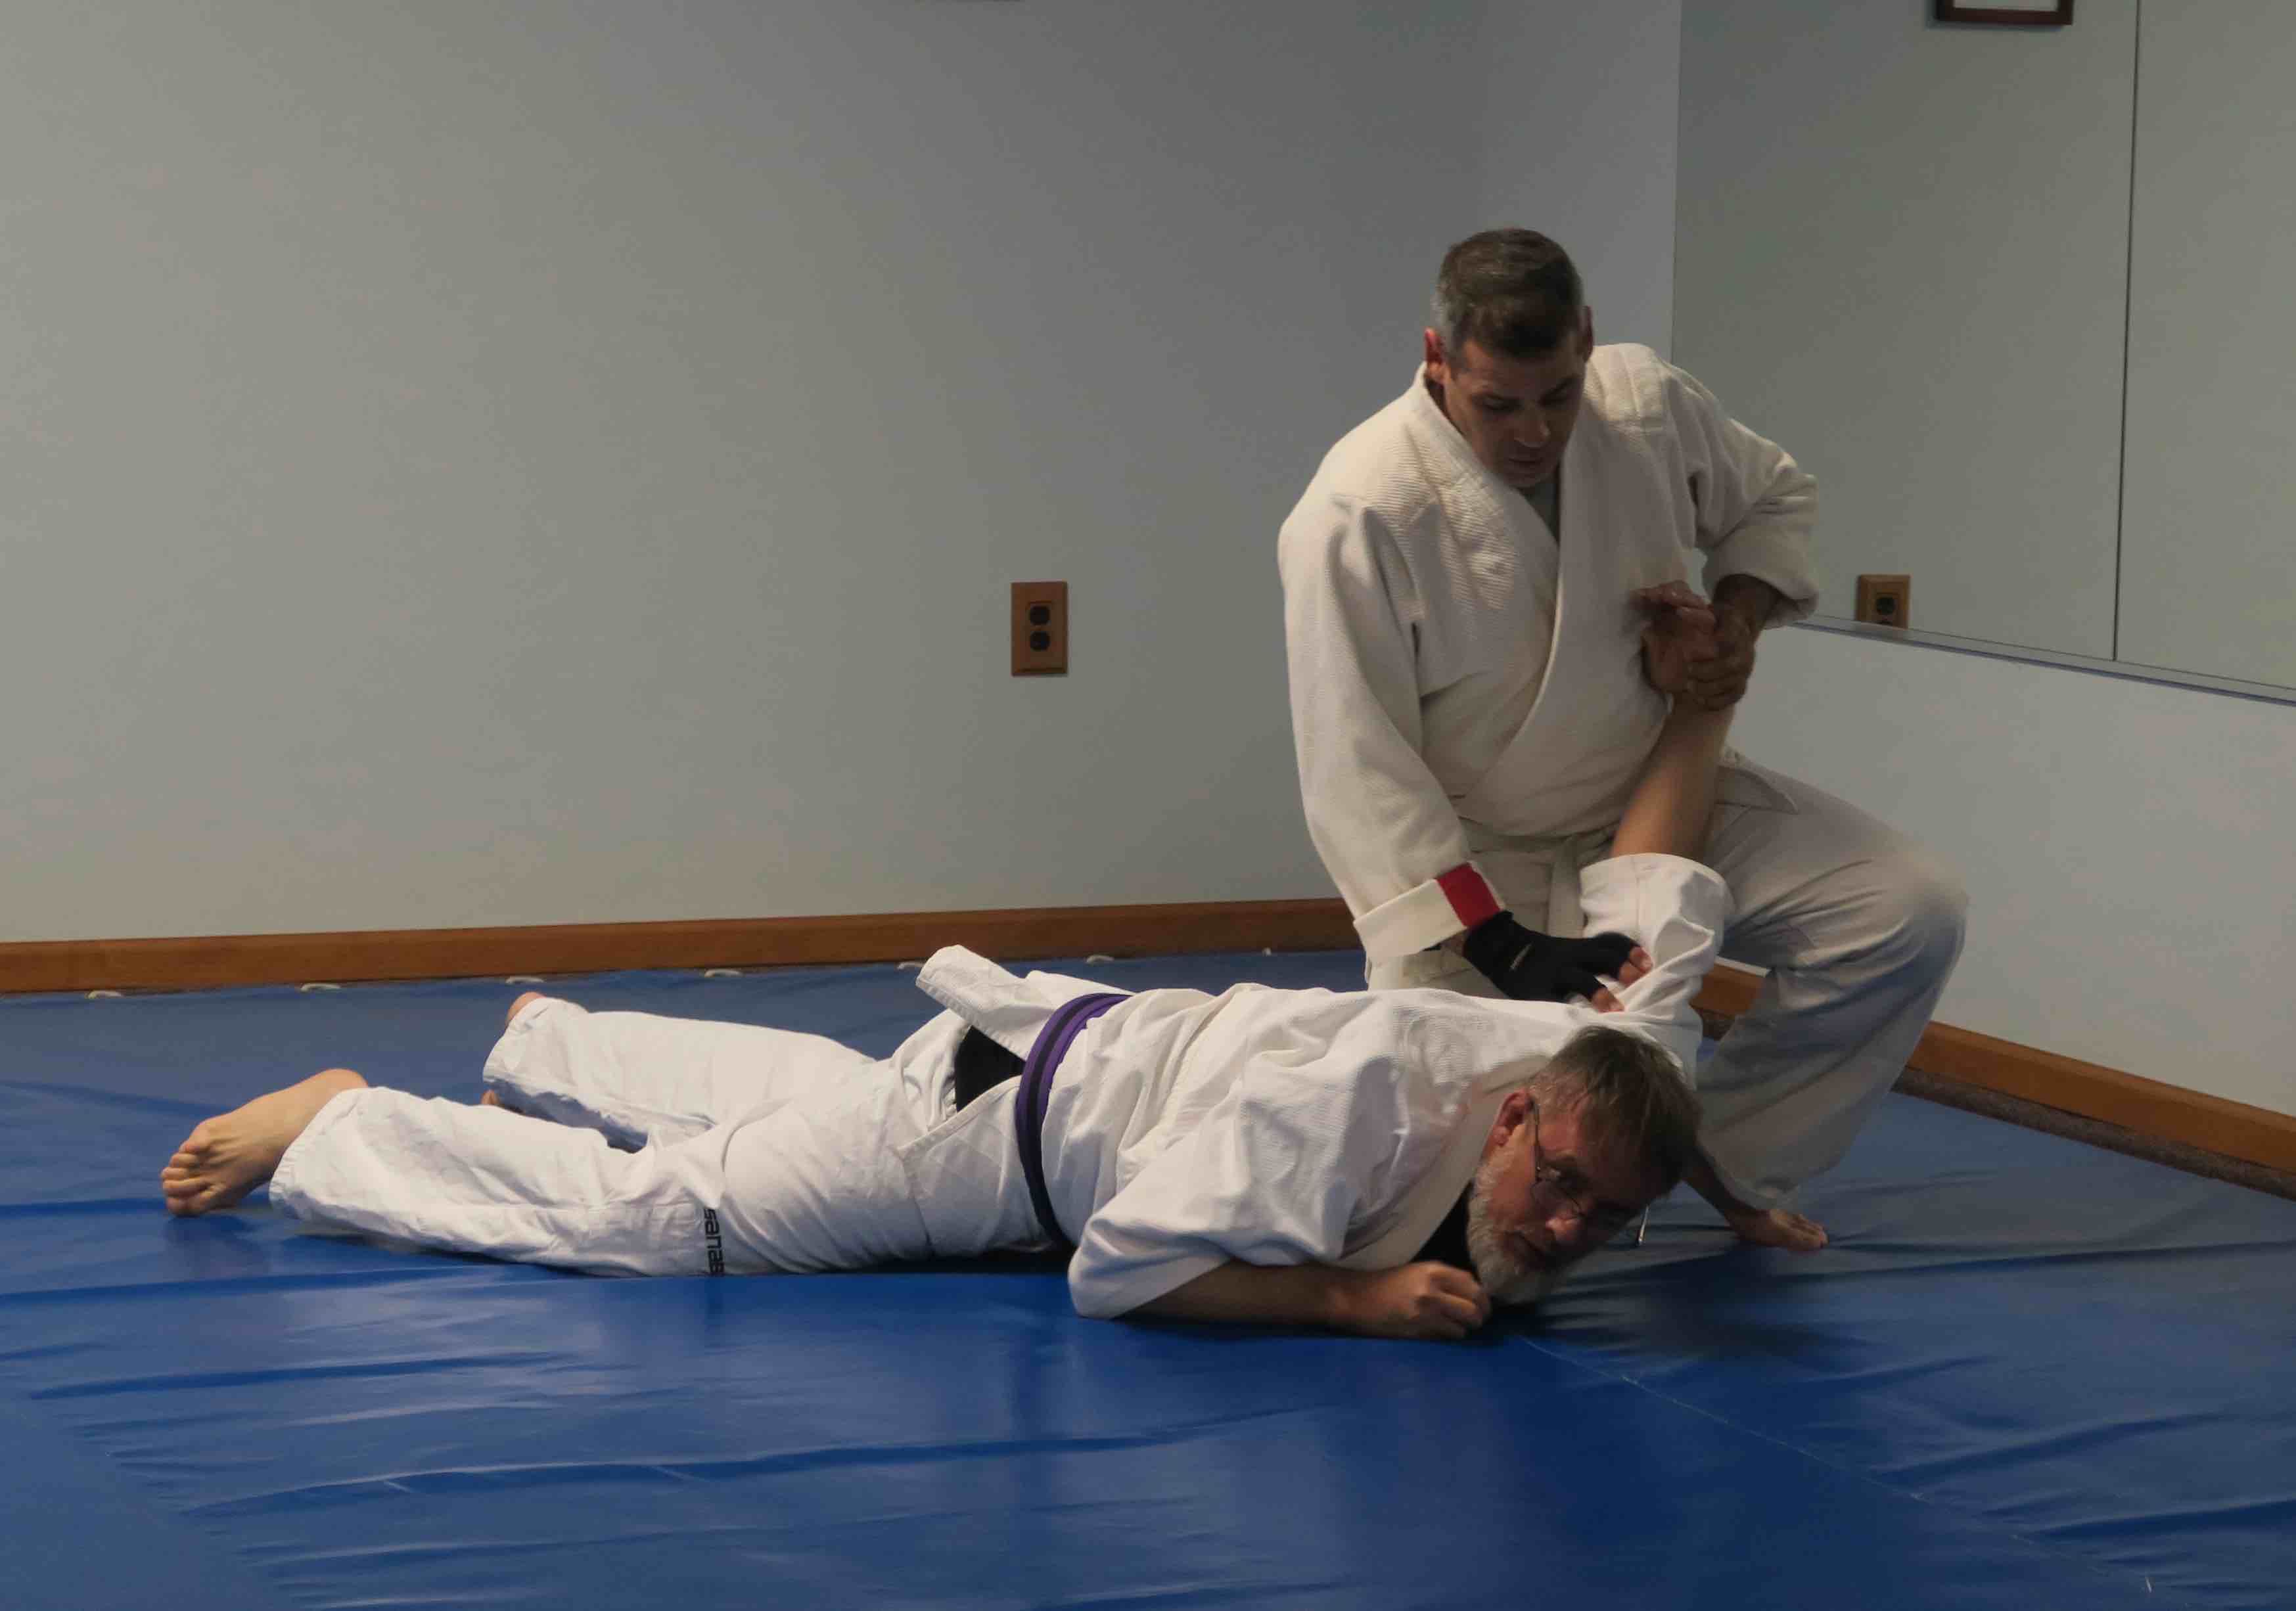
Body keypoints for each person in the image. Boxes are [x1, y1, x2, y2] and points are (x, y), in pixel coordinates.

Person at [160, 692, 1743, 1341]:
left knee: (828, 1106)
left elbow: (1663, 897)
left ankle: (551, 1041)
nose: (1572, 1224)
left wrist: (1726, 1181)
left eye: (1613, 1213)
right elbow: (1120, 1270)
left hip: (1040, 1050)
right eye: (1558, 1184)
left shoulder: (1617, 1075)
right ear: (1518, 1107)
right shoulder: (1344, 1119)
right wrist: (1352, 1298)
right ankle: (350, 1124)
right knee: (678, 1224)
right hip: (987, 1151)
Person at [1277, 227, 1966, 1251]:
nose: (1532, 432)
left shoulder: (1643, 405)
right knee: (1448, 1218)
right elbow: (1357, 764)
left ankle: (1712, 1153)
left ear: (1587, 343)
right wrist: (1497, 942)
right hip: (1478, 857)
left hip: (1654, 795)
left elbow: (1770, 498)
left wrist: (1730, 625)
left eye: (1556, 396)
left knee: (1902, 910)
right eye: (1497, 403)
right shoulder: (1358, 509)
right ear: (1436, 358)